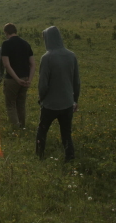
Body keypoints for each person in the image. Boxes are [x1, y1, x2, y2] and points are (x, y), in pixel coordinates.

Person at [36, 26, 80, 161]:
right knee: (66, 133)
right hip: (67, 102)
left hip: (50, 104)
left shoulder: (47, 58)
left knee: (42, 131)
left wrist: (41, 98)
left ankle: (39, 156)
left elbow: (43, 84)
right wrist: (75, 100)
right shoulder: (71, 55)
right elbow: (76, 81)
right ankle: (70, 157)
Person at [1, 23, 35, 128]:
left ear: (6, 32)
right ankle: (22, 125)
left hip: (12, 79)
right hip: (25, 78)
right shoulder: (26, 44)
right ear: (15, 31)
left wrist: (16, 79)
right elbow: (33, 64)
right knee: (21, 104)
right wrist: (29, 79)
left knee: (11, 105)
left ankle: (16, 129)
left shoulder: (6, 44)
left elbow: (6, 64)